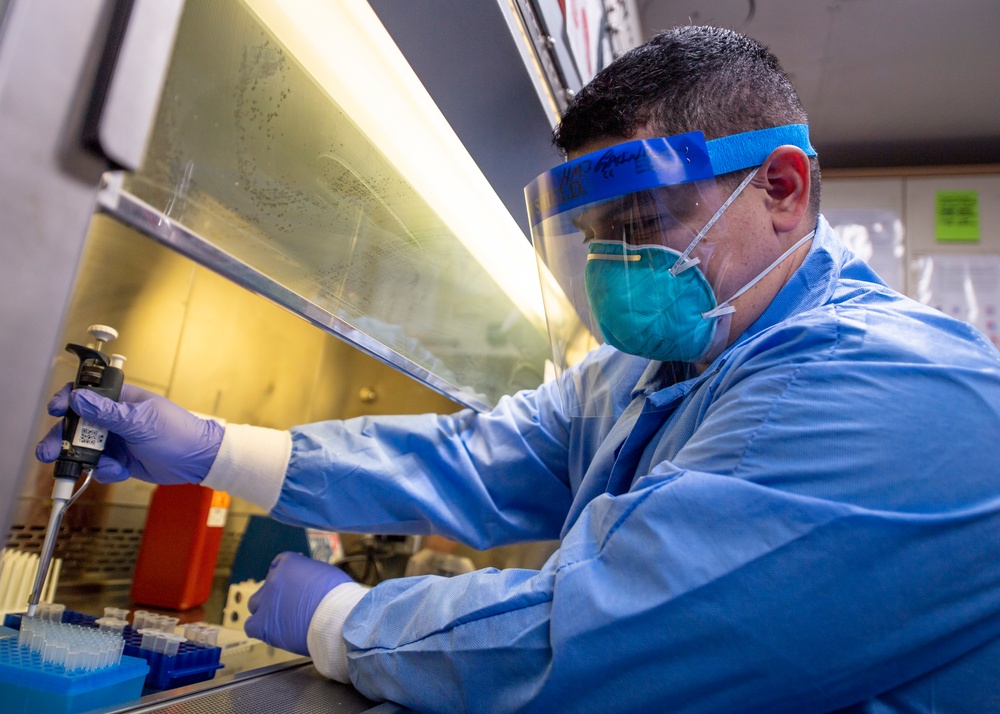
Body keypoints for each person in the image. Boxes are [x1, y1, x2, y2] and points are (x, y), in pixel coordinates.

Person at [37, 25, 1000, 713]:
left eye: (642, 226)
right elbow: (480, 457)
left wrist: (347, 622)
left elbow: (609, 640)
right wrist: (214, 451)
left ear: (782, 189)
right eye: (596, 240)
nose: (617, 267)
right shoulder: (665, 365)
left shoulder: (896, 388)